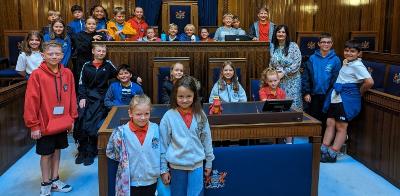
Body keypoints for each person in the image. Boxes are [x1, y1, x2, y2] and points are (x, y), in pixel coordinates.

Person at [24, 41, 77, 196]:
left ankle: (55, 180)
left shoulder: (67, 73)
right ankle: (45, 183)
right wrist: (33, 125)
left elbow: (72, 96)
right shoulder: (37, 75)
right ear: (43, 55)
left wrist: (72, 118)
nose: (54, 56)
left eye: (57, 54)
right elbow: (31, 101)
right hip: (44, 123)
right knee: (46, 154)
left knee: (57, 150)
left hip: (61, 122)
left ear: (62, 55)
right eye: (50, 54)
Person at [320, 40, 374, 163]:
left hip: (346, 98)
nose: (349, 53)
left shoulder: (358, 65)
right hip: (336, 97)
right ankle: (324, 149)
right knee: (330, 122)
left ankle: (333, 153)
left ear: (359, 53)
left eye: (352, 51)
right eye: (347, 50)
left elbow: (369, 82)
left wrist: (359, 92)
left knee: (341, 126)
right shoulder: (347, 62)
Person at [160, 75, 214, 196]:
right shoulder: (168, 117)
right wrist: (163, 169)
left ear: (194, 96)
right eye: (181, 96)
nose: (184, 100)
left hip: (197, 167)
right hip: (176, 167)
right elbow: (163, 144)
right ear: (175, 96)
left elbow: (207, 140)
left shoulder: (200, 115)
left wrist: (209, 161)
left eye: (188, 96)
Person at [106, 94, 160, 196]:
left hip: (151, 180)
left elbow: (161, 152)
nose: (143, 117)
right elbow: (112, 155)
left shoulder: (156, 129)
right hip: (130, 183)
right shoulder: (120, 133)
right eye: (138, 114)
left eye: (146, 113)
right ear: (130, 113)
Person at [75, 44, 117, 166]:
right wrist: (82, 97)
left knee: (95, 122)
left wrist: (135, 77)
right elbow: (81, 83)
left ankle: (91, 150)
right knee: (81, 119)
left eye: (103, 51)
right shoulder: (86, 65)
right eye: (98, 50)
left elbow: (120, 74)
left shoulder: (108, 65)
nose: (101, 52)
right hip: (87, 97)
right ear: (93, 51)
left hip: (100, 98)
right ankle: (82, 150)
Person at [302, 32, 341, 132]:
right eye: (323, 42)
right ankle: (314, 141)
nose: (326, 44)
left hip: (328, 95)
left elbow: (336, 79)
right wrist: (306, 92)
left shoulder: (336, 60)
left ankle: (323, 143)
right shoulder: (312, 58)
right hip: (314, 95)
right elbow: (306, 77)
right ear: (319, 44)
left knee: (326, 119)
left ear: (332, 44)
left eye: (328, 42)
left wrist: (332, 94)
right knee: (314, 119)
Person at [269, 24, 302, 110]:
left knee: (292, 104)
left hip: (292, 80)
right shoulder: (272, 46)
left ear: (286, 34)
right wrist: (273, 74)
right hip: (278, 81)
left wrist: (284, 72)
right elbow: (271, 63)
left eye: (283, 32)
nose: (281, 34)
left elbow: (297, 63)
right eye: (279, 32)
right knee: (280, 104)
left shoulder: (293, 45)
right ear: (275, 34)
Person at [72, 16, 106, 89]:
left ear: (96, 25)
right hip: (82, 62)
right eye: (89, 24)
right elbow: (80, 48)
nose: (91, 25)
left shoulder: (100, 35)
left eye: (93, 24)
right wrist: (92, 39)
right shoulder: (79, 35)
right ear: (85, 25)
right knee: (82, 83)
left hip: (96, 63)